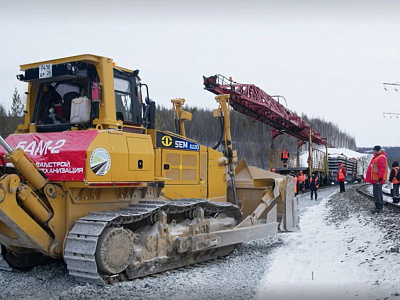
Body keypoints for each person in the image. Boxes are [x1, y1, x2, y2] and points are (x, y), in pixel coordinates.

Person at [365, 145, 388, 214]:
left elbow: (382, 169)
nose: (373, 152)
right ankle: (380, 207)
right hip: (376, 179)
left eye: (374, 150)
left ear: (377, 151)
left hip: (377, 179)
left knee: (376, 193)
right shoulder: (378, 157)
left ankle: (378, 208)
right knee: (379, 193)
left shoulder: (380, 158)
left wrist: (380, 179)